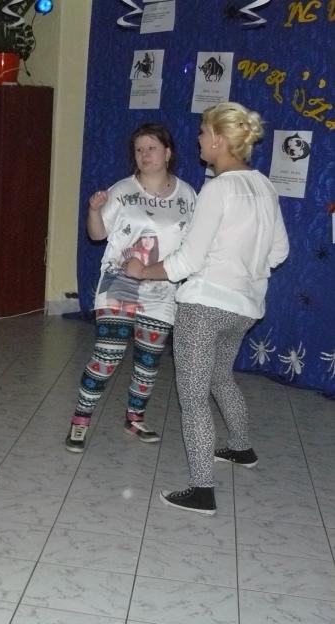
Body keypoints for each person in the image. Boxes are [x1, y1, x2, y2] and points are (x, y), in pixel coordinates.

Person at [125, 102, 289, 515]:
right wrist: (242, 270)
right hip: (245, 308)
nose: (198, 138)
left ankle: (202, 490)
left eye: (202, 132)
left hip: (203, 308)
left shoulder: (217, 188)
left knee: (193, 397)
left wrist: (144, 271)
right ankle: (241, 448)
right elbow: (279, 252)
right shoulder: (264, 186)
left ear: (218, 139)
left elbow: (187, 261)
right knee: (220, 376)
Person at [65, 123, 197, 453]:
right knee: (107, 355)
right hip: (119, 281)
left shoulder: (188, 195)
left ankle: (135, 418)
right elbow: (97, 235)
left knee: (148, 360)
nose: (145, 155)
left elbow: (193, 247)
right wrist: (94, 210)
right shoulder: (123, 190)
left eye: (152, 148)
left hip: (162, 287)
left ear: (168, 153)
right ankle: (80, 419)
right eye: (139, 150)